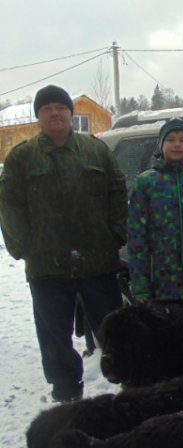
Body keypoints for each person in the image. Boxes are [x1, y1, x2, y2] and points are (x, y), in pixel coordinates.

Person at [0, 84, 127, 402]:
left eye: (61, 107)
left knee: (114, 329)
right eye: (47, 109)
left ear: (70, 114)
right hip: (47, 265)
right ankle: (66, 393)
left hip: (98, 259)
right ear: (39, 117)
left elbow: (117, 192)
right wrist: (23, 245)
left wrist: (117, 234)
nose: (55, 113)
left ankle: (130, 386)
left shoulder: (96, 151)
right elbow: (9, 204)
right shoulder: (22, 157)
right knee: (55, 336)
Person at [127, 118, 183, 307]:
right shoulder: (146, 182)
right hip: (160, 284)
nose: (177, 145)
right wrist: (140, 284)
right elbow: (136, 237)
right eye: (171, 139)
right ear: (161, 144)